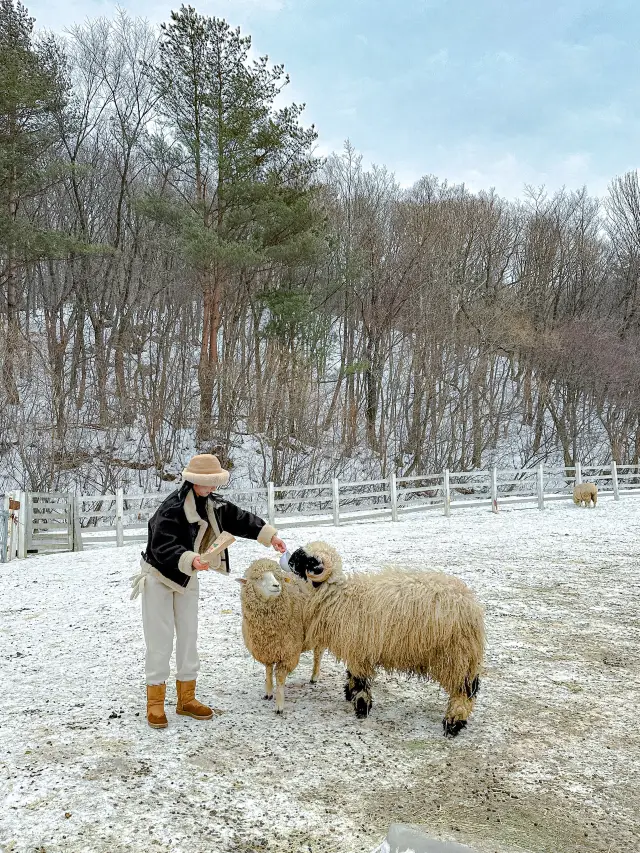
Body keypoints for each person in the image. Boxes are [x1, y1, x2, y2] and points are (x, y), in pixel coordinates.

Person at [131, 454, 286, 729]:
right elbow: (162, 546)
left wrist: (268, 535)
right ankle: (155, 702)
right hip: (159, 577)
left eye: (215, 483)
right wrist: (191, 559)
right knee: (160, 640)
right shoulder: (171, 509)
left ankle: (186, 698)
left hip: (188, 576)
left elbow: (239, 518)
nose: (213, 488)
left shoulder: (213, 504)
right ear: (194, 481)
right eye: (209, 483)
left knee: (189, 637)